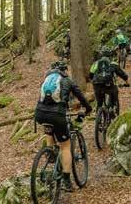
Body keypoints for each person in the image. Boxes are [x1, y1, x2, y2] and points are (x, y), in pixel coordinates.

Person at [35, 61, 92, 192]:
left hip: (40, 114)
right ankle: (66, 180)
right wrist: (88, 108)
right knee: (65, 146)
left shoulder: (46, 79)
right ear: (64, 71)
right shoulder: (67, 80)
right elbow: (81, 97)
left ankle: (50, 153)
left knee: (50, 131)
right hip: (57, 115)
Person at [89, 46, 129, 116]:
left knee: (99, 102)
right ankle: (114, 108)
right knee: (114, 94)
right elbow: (122, 74)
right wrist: (126, 82)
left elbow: (91, 75)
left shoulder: (95, 64)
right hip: (109, 85)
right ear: (110, 55)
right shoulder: (113, 63)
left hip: (97, 85)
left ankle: (98, 116)